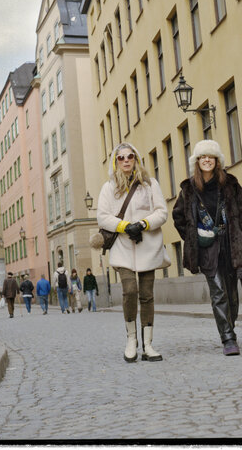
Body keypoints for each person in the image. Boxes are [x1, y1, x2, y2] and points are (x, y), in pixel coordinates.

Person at [172, 140, 242, 356]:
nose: (206, 160)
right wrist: (193, 237)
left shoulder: (230, 184)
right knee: (218, 292)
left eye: (210, 157)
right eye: (202, 157)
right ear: (197, 161)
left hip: (231, 243)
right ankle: (228, 339)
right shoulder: (188, 189)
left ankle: (230, 330)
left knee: (231, 294)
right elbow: (178, 217)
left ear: (217, 161)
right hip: (207, 249)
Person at [97, 143, 168, 362]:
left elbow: (162, 212)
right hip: (123, 247)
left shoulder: (150, 184)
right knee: (129, 289)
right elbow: (102, 216)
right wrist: (125, 226)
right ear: (115, 162)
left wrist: (144, 224)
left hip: (148, 245)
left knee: (147, 294)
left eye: (130, 156)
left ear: (136, 159)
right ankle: (131, 339)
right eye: (121, 158)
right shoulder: (108, 187)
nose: (126, 160)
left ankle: (148, 344)